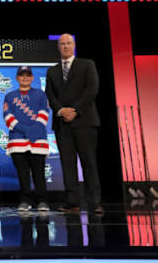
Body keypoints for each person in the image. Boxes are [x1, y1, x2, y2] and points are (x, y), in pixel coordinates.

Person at [45, 33, 102, 214]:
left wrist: (74, 110)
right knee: (67, 163)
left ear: (74, 45)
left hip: (84, 121)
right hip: (63, 124)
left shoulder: (87, 64)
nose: (65, 46)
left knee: (89, 163)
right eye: (62, 44)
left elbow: (92, 89)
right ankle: (72, 202)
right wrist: (62, 111)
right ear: (58, 47)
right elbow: (50, 95)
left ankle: (94, 203)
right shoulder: (52, 70)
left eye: (68, 43)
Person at [3, 66, 50, 212]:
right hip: (18, 140)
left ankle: (42, 201)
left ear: (32, 78)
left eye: (27, 75)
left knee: (39, 171)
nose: (25, 78)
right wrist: (26, 130)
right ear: (17, 78)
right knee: (22, 173)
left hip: (37, 140)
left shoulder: (41, 94)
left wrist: (33, 130)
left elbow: (44, 114)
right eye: (22, 75)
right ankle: (25, 200)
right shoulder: (10, 96)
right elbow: (8, 117)